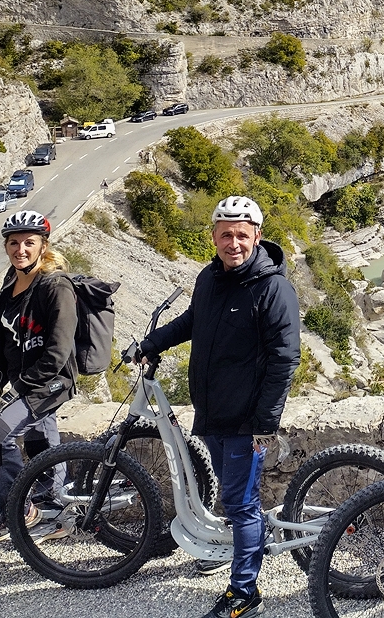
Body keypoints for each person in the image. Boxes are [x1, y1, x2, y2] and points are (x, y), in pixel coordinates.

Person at [138, 195, 300, 618]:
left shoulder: (273, 288)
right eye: (226, 235)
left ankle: (245, 591)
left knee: (240, 504)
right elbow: (193, 321)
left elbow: (285, 359)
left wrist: (265, 422)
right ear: (213, 237)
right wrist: (152, 343)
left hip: (246, 420)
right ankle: (237, 548)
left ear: (257, 237)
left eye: (242, 235)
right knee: (235, 497)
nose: (234, 243)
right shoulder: (209, 278)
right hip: (211, 413)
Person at [0, 209, 76, 542]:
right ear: (6, 246)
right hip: (29, 382)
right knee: (41, 443)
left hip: (49, 382)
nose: (20, 249)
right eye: (13, 243)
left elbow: (58, 352)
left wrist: (19, 387)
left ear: (43, 246)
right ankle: (55, 513)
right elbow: (8, 307)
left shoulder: (56, 286)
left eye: (29, 243)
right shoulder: (13, 279)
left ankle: (16, 511)